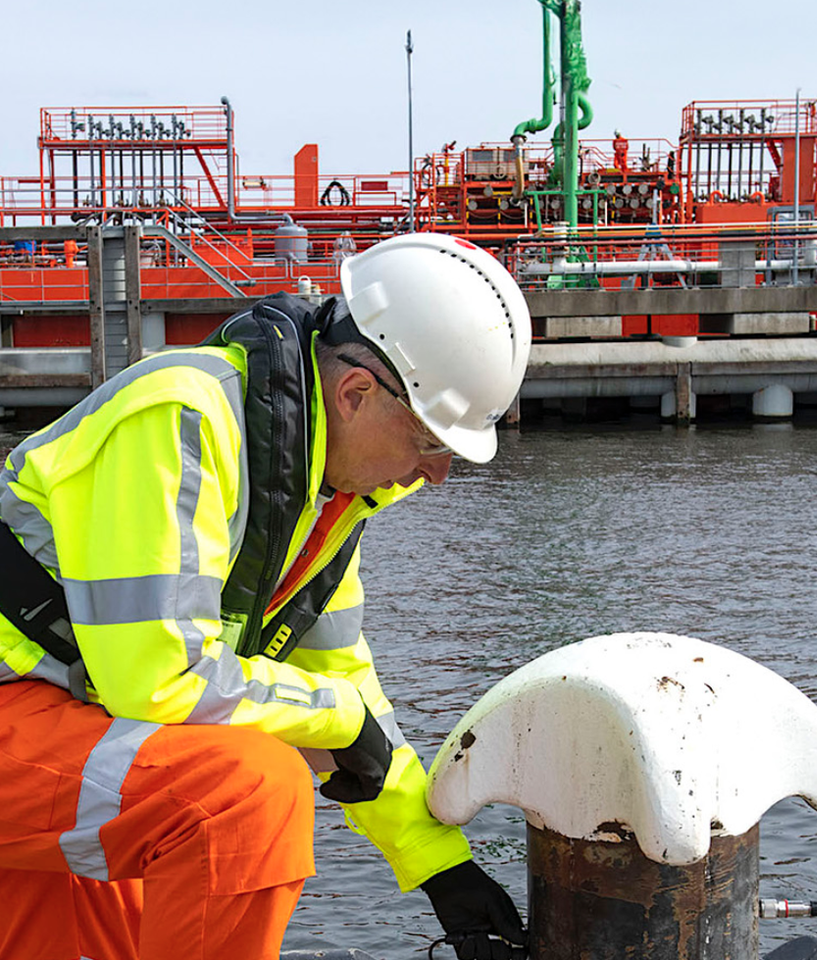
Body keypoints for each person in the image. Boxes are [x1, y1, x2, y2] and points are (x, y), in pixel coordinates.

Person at [0, 232, 532, 960]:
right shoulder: (180, 419)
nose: (436, 475)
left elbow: (344, 685)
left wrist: (441, 867)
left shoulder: (321, 500)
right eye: (432, 442)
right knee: (245, 796)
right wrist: (338, 719)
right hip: (33, 707)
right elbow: (161, 679)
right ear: (355, 394)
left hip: (53, 723)